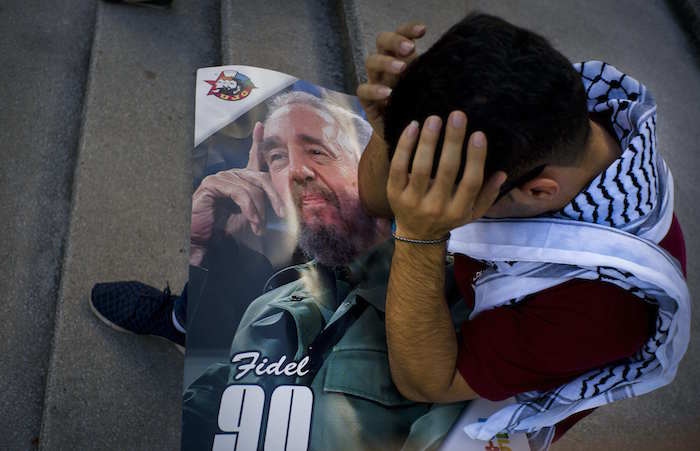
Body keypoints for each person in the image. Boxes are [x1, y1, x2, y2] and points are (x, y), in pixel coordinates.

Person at [357, 13, 689, 449]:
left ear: (537, 191)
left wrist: (421, 234)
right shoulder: (545, 116)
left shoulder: (603, 307)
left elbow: (427, 381)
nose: (427, 187)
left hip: (491, 380)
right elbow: (377, 199)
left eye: (449, 185)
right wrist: (389, 123)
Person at [180, 92, 471, 450]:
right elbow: (201, 412)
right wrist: (197, 249)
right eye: (277, 157)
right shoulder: (267, 305)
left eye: (317, 151)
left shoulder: (452, 305)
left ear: (375, 168)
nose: (295, 172)